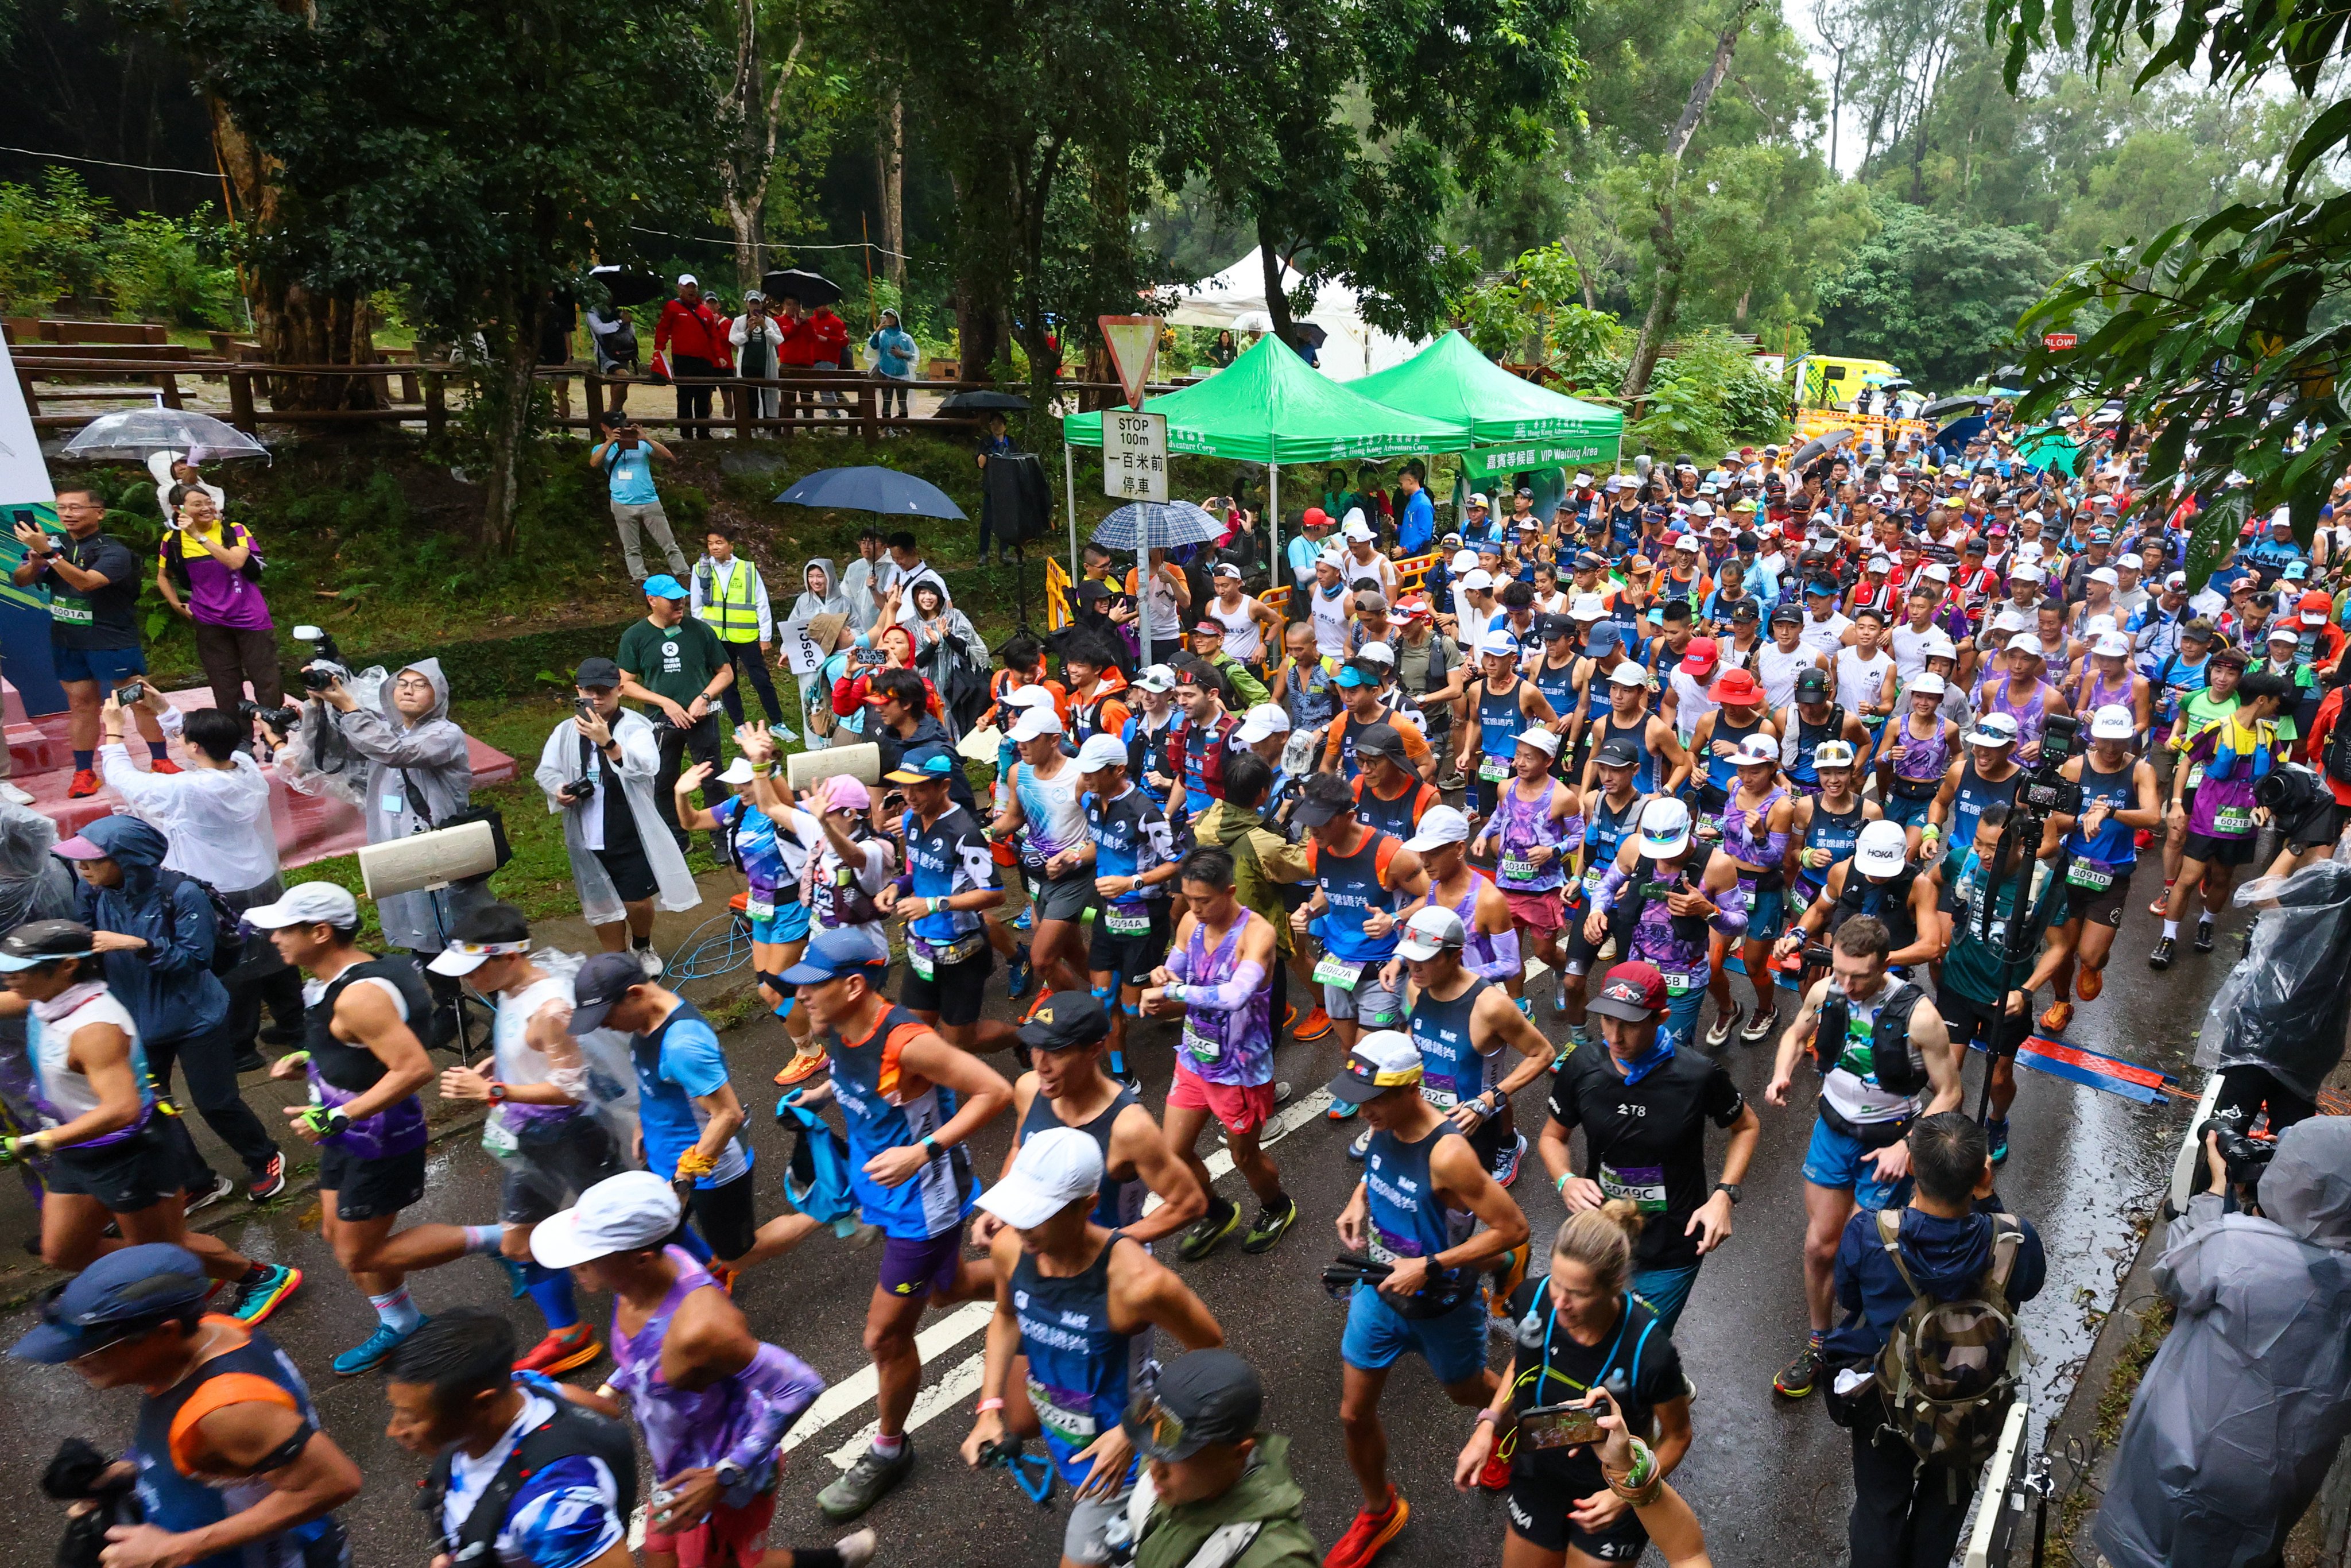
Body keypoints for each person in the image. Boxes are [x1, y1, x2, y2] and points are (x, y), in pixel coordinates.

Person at [778, 924, 1014, 1520]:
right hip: (885, 1192)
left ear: (854, 986)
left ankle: (889, 1449)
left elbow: (995, 1091)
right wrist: (822, 1095)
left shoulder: (909, 1041)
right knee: (947, 1290)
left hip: (924, 1204)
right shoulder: (836, 1026)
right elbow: (857, 1075)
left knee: (884, 1336)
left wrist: (922, 1151)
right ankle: (1047, 1278)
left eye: (813, 984)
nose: (800, 994)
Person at [530, 1172, 877, 1568]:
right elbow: (643, 1354)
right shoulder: (642, 1277)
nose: (575, 1264)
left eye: (588, 1253)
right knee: (660, 1556)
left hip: (719, 1480)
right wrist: (611, 1390)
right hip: (674, 1468)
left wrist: (725, 1475)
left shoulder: (703, 1329)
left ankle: (834, 1561)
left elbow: (800, 1385)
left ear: (640, 1258)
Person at [0, 920, 299, 1318]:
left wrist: (36, 1142)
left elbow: (121, 1108)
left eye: (18, 970)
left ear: (67, 966)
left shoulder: (94, 1028)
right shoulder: (46, 997)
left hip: (131, 1152)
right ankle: (179, 1274)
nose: (9, 978)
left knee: (160, 1250)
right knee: (64, 1251)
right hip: (78, 1148)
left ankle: (261, 1277)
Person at [962, 1128, 1229, 1568]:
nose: (1023, 1226)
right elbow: (1006, 1317)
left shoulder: (1139, 1283)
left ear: (1087, 1205)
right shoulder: (1011, 1247)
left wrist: (1133, 1430)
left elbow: (1213, 1357)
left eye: (1038, 1214)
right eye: (1019, 1210)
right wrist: (988, 1408)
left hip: (1136, 1451)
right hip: (1074, 1441)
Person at [2092, 1117, 2351, 1568]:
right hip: (2284, 1473)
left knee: (2152, 1542)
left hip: (2185, 1446)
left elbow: (2173, 1273)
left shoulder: (2235, 1244)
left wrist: (2214, 1195)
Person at [11, 1243, 361, 1568]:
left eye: (92, 1347)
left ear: (166, 1332)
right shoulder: (211, 1332)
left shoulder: (229, 1411)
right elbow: (201, 1442)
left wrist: (178, 1548)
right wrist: (130, 1471)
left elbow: (333, 1483)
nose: (74, 1361)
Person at [1325, 1029, 1529, 1568]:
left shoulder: (1449, 1154)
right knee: (1353, 1414)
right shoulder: (1381, 1124)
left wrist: (1430, 1265)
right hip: (1377, 1293)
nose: (1363, 1110)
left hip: (1442, 1306)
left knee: (1469, 1393)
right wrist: (1357, 1200)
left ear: (1411, 1088)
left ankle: (1512, 1433)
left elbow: (1512, 1226)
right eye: (1359, 1098)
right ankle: (1379, 1510)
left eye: (1374, 1099)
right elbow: (1380, 1167)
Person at [243, 882, 444, 1375]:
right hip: (347, 1135)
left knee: (358, 1253)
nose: (274, 938)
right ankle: (401, 1322)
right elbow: (362, 1047)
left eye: (283, 929)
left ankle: (502, 1242)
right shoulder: (349, 975)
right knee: (336, 1234)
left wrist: (338, 1114)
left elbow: (414, 1067)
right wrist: (314, 1059)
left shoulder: (359, 997)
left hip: (378, 1138)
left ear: (320, 932)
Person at [1826, 1114, 2044, 1568]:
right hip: (1970, 1402)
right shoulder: (2015, 1238)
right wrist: (1989, 1198)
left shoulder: (1869, 1233)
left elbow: (1848, 1297)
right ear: (1981, 1173)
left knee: (1879, 1508)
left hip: (1888, 1402)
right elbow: (2027, 1285)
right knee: (1943, 1510)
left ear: (1910, 1166)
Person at [1764, 916, 1961, 1400]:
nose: (1847, 986)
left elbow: (1950, 1091)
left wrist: (1906, 1145)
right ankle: (1818, 1343)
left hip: (1888, 1142)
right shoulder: (1826, 991)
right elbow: (1794, 1035)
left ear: (1884, 964)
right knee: (1819, 1246)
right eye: (1840, 972)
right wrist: (1781, 1072)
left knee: (1865, 1253)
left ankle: (1874, 1343)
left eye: (1859, 976)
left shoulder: (1919, 1016)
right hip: (1833, 1132)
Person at [54, 815, 288, 1206]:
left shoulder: (182, 894)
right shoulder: (92, 891)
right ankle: (198, 1181)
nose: (82, 868)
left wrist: (138, 945)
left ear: (127, 859)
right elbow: (85, 939)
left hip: (196, 1019)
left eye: (93, 860)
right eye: (80, 860)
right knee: (154, 1108)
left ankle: (264, 1156)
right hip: (135, 1022)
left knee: (216, 1102)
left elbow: (195, 960)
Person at [1455, 1204, 1694, 1568]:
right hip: (1539, 1476)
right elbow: (1524, 1363)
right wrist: (1488, 1424)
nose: (1560, 1304)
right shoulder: (1534, 1298)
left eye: (1578, 1293)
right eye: (1556, 1283)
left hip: (1609, 1490)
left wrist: (1626, 1495)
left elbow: (1678, 1436)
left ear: (1614, 1285)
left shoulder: (1650, 1352)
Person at [1541, 960, 1760, 1335]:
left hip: (1672, 1244)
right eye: (1608, 1020)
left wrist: (1725, 1195)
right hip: (1603, 1233)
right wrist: (1565, 1180)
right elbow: (1551, 1136)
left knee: (1639, 1343)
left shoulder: (1696, 1074)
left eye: (1629, 1024)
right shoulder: (1582, 1065)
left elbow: (1746, 1127)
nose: (1615, 1036)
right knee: (1586, 1333)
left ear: (1661, 1018)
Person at [282, 655, 489, 1033]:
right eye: (402, 683)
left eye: (420, 684)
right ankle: (448, 1004)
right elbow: (325, 758)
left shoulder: (445, 734)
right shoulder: (380, 729)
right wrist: (318, 706)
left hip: (435, 848)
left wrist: (350, 708)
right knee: (418, 930)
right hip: (393, 848)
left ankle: (484, 1001)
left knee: (454, 929)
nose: (408, 690)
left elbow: (397, 753)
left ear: (438, 694)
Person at [102, 688, 303, 1061]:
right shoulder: (246, 768)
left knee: (232, 966)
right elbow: (205, 745)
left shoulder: (187, 790)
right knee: (278, 952)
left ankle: (240, 1049)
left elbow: (123, 778)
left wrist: (114, 730)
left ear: (195, 747)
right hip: (259, 876)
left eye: (183, 737)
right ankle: (296, 1026)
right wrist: (165, 710)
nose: (179, 740)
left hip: (217, 888)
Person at [1139, 846, 1299, 1261]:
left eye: (1204, 900)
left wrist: (1175, 991)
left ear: (1229, 892)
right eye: (1189, 899)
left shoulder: (1257, 934)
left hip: (1239, 1069)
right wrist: (1162, 977)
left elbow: (1235, 995)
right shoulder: (1190, 922)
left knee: (1243, 1155)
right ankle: (1216, 1211)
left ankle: (1276, 1207)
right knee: (1173, 1153)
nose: (1194, 909)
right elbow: (1174, 972)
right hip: (1194, 1058)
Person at [384, 1307, 638, 1568]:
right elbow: (606, 1410)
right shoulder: (519, 1387)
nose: (393, 1431)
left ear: (483, 1403)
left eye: (412, 1418)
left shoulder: (554, 1512)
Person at [568, 953, 761, 1281]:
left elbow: (728, 1116)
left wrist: (683, 1180)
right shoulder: (645, 1022)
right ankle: (700, 1284)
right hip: (664, 1160)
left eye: (605, 1015)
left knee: (737, 1255)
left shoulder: (682, 1044)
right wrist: (643, 1124)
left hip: (710, 1172)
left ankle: (826, 1211)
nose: (602, 1025)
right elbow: (657, 1085)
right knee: (653, 1242)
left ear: (635, 994)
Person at [536, 659, 702, 971]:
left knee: (637, 900)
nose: (597, 698)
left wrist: (609, 743)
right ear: (578, 691)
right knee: (599, 901)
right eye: (590, 691)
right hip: (586, 828)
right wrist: (559, 789)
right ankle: (617, 961)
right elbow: (547, 770)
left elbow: (647, 767)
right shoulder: (566, 731)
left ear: (620, 690)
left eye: (604, 691)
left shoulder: (634, 727)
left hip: (627, 825)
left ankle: (642, 943)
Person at [12, 487, 172, 798]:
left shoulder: (113, 551)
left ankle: (161, 760)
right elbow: (20, 580)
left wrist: (50, 555)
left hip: (111, 639)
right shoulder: (52, 543)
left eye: (76, 507)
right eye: (61, 508)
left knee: (137, 699)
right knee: (81, 705)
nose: (67, 514)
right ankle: (84, 772)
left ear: (99, 512)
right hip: (68, 641)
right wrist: (35, 562)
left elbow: (87, 583)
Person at [1387, 903, 1552, 1183]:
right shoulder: (1417, 987)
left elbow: (1543, 1054)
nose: (1414, 968)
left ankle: (1509, 1145)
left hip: (1473, 1124)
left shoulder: (1491, 1006)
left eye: (1425, 959)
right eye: (1410, 957)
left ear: (1456, 956)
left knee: (1465, 1200)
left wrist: (1490, 1099)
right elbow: (1418, 1036)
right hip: (1426, 1116)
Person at [1123, 1349, 1322, 1568]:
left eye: (1178, 1456)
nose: (1154, 1469)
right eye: (1155, 1448)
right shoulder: (1177, 1481)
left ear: (1239, 1454)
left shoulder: (1276, 1560)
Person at [2154, 669, 2291, 966]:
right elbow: (2186, 762)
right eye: (2275, 700)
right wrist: (2176, 803)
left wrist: (2268, 808)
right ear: (2262, 700)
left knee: (2222, 878)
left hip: (2242, 823)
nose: (2277, 705)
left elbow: (2280, 773)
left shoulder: (2269, 735)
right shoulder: (2216, 729)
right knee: (2188, 878)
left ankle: (2207, 923)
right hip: (2206, 818)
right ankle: (2168, 937)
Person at [2041, 705, 2160, 1031]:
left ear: (2130, 739)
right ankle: (2061, 1002)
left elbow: (2153, 816)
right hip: (2071, 867)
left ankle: (2094, 966)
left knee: (2090, 955)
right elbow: (2054, 820)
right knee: (2062, 949)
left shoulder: (2140, 770)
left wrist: (2110, 813)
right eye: (2105, 740)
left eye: (2119, 741)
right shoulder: (2075, 767)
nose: (2111, 748)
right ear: (2093, 737)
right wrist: (2083, 817)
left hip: (2113, 874)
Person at [618, 573, 735, 854]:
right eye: (672, 600)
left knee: (712, 778)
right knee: (662, 780)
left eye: (681, 598)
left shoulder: (700, 630)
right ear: (652, 601)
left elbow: (726, 672)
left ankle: (722, 838)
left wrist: (704, 698)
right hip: (662, 722)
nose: (680, 603)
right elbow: (625, 683)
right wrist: (665, 703)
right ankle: (676, 838)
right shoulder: (635, 636)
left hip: (701, 718)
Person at [154, 486, 282, 715]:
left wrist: (198, 535)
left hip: (250, 616)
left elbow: (235, 562)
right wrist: (176, 604)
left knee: (266, 678)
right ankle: (237, 734)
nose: (207, 508)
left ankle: (274, 729)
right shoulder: (172, 539)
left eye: (209, 502)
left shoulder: (234, 530)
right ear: (178, 509)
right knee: (224, 684)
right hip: (208, 619)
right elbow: (163, 576)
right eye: (198, 504)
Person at [691, 525, 787, 727]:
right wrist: (702, 635)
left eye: (719, 543)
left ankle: (777, 722)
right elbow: (696, 606)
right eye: (710, 543)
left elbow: (762, 603)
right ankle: (739, 724)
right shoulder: (701, 569)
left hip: (746, 636)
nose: (714, 547)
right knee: (727, 682)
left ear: (731, 545)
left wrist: (765, 636)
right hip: (716, 637)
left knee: (761, 679)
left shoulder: (748, 569)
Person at [589, 412, 691, 582]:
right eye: (615, 428)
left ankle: (683, 574)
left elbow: (668, 456)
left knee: (669, 544)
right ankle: (639, 579)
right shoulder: (601, 448)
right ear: (604, 428)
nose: (620, 431)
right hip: (622, 504)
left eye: (622, 427)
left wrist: (646, 439)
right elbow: (594, 463)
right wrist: (610, 442)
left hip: (649, 501)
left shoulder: (642, 445)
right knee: (631, 548)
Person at [656, 273, 732, 438]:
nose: (691, 290)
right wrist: (659, 349)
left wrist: (719, 355)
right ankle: (686, 433)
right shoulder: (672, 307)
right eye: (687, 286)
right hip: (683, 358)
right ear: (680, 288)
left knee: (703, 396)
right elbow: (663, 329)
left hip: (704, 360)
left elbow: (713, 336)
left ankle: (703, 432)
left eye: (694, 287)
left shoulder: (705, 312)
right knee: (685, 396)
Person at [869, 307, 916, 420]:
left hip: (902, 373)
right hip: (885, 372)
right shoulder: (881, 335)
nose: (889, 320)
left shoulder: (906, 338)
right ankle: (886, 425)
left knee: (902, 402)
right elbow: (874, 345)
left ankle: (903, 425)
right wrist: (877, 331)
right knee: (886, 400)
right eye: (887, 317)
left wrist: (902, 354)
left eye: (892, 317)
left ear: (896, 319)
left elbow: (913, 355)